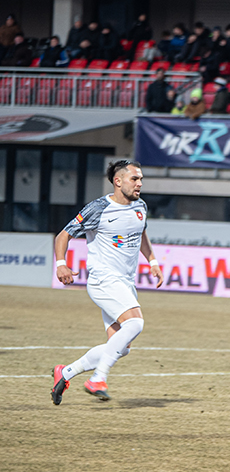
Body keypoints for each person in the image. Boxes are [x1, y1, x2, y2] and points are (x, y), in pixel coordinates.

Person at [50, 160, 164, 405]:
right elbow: (63, 235)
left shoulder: (141, 206)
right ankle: (97, 379)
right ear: (118, 181)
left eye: (141, 179)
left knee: (121, 346)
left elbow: (141, 232)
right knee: (135, 323)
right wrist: (61, 264)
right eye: (134, 179)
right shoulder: (99, 208)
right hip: (103, 279)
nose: (139, 184)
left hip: (124, 282)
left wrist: (153, 261)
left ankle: (65, 372)